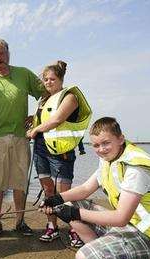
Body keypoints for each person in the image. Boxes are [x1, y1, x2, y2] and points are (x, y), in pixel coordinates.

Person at [41, 117, 150, 259]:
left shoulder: (135, 169)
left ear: (121, 139)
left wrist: (73, 214)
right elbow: (87, 188)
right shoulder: (109, 159)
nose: (101, 149)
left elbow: (120, 218)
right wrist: (57, 199)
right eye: (96, 145)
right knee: (68, 204)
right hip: (132, 225)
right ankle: (105, 256)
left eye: (106, 143)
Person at [0, 38, 45, 237]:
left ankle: (19, 221)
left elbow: (46, 93)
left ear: (8, 53)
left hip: (20, 137)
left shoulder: (24, 74)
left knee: (19, 182)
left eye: (1, 53)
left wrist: (37, 116)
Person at [26, 61, 92, 245]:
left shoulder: (69, 97)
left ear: (61, 79)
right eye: (45, 79)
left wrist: (36, 129)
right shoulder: (43, 100)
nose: (48, 82)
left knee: (65, 192)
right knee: (48, 189)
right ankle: (52, 226)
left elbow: (57, 119)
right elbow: (44, 119)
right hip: (40, 148)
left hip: (61, 151)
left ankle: (74, 229)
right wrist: (32, 123)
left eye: (52, 79)